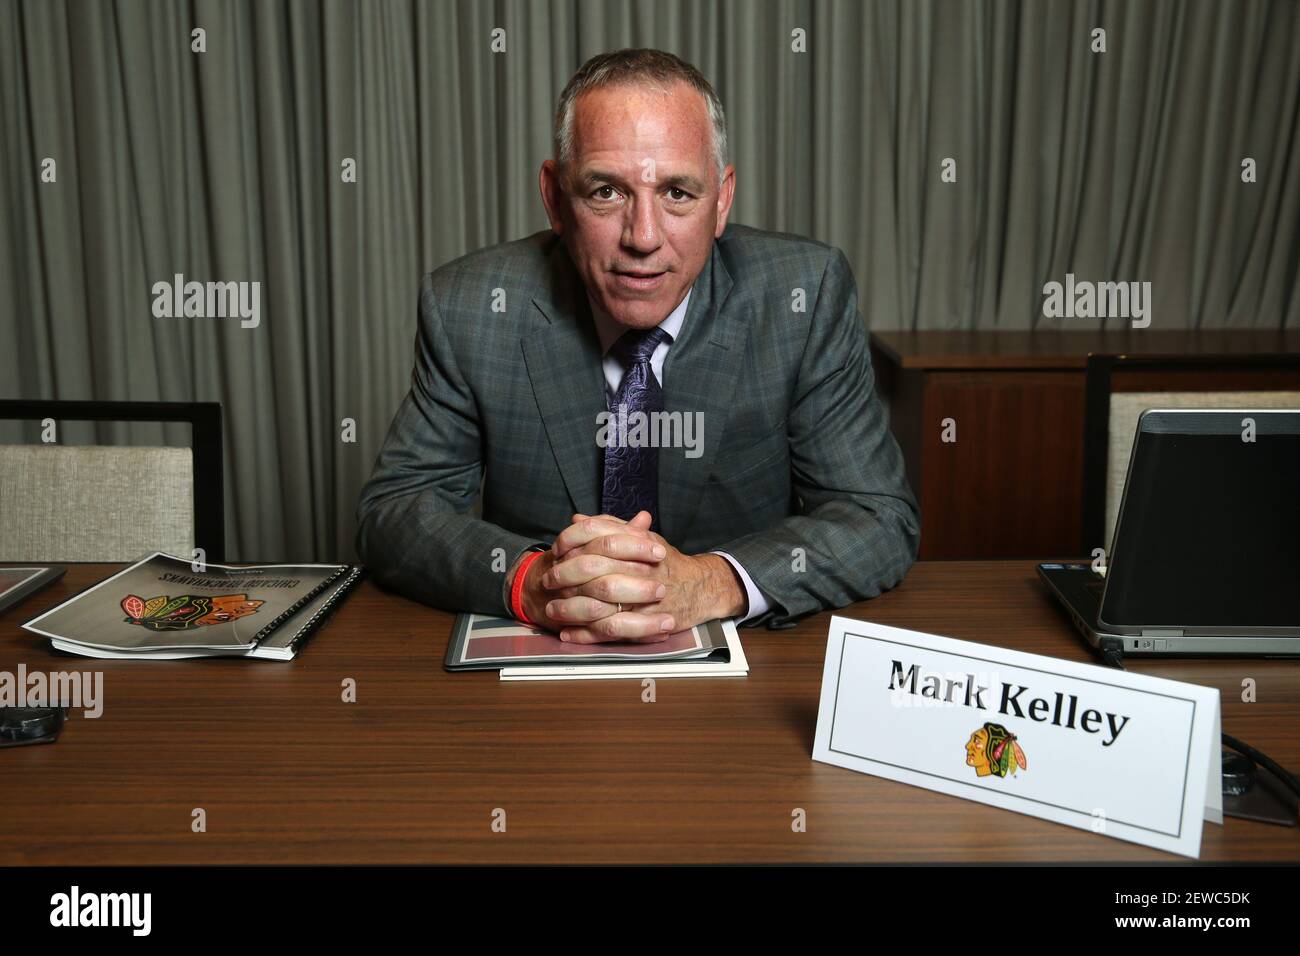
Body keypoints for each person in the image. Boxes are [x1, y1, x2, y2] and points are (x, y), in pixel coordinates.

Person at [357, 48, 919, 642]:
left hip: (743, 669)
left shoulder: (803, 296)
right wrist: (531, 580)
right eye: (606, 191)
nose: (643, 238)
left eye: (678, 192)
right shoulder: (470, 306)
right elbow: (393, 514)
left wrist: (710, 582)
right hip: (546, 664)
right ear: (554, 198)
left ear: (722, 200)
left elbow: (877, 518)